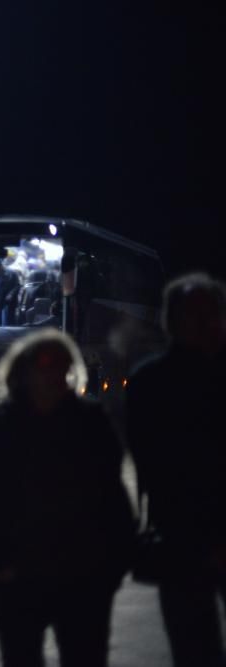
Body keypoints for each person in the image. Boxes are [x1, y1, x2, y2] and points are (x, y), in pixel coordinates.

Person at [0, 330, 135, 667]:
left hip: (83, 574)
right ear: (24, 374)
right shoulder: (5, 424)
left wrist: (114, 564)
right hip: (20, 574)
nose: (51, 377)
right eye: (44, 368)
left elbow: (112, 497)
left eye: (59, 368)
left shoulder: (91, 424)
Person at [127, 273, 226, 667]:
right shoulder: (151, 382)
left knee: (192, 647)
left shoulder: (149, 381)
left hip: (180, 536)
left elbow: (153, 468)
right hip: (187, 536)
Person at [0, 259, 21, 326]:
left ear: (1, 266)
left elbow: (18, 286)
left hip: (8, 302)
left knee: (9, 321)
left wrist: (11, 294)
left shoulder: (12, 273)